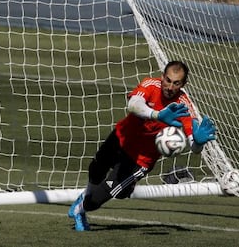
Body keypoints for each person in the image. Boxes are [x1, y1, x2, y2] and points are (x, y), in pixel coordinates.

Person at [68, 61, 216, 231]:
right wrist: (158, 115)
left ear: (183, 85)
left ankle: (81, 209)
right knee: (95, 169)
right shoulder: (150, 85)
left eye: (176, 83)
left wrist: (198, 142)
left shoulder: (184, 106)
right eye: (167, 80)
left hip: (140, 160)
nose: (169, 86)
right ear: (162, 77)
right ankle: (93, 196)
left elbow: (194, 147)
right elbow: (133, 105)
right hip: (121, 137)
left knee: (96, 201)